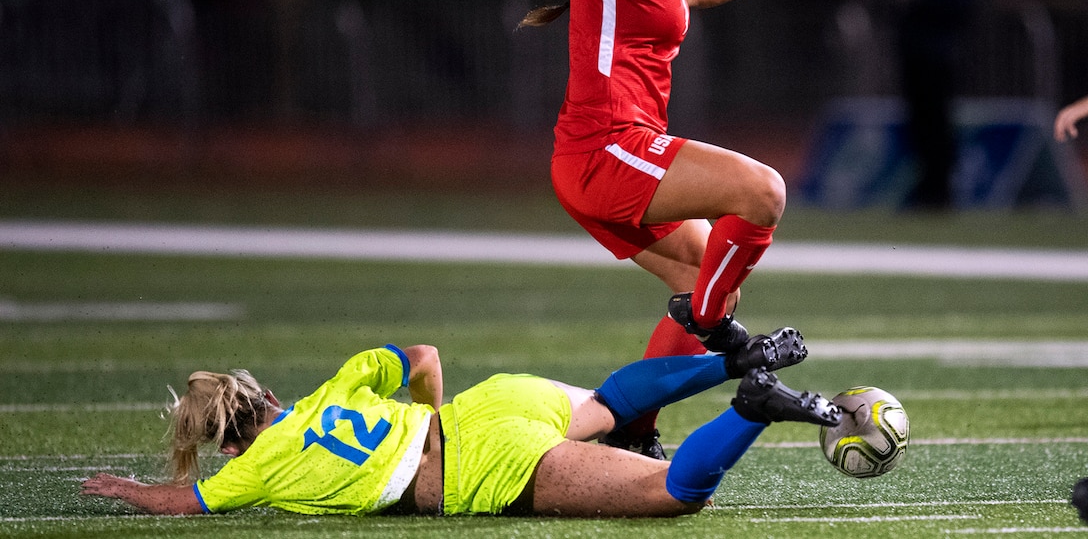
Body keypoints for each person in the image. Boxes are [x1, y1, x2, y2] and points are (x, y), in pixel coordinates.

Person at [520, 0, 814, 457]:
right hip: (605, 150)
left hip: (617, 157)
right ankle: (707, 323)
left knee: (709, 276)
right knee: (763, 192)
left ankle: (634, 427)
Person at [80, 340, 840, 518]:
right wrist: (436, 415)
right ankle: (736, 356)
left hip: (485, 468)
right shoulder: (335, 384)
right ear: (268, 394)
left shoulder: (255, 468)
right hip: (489, 404)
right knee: (610, 401)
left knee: (675, 493)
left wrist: (129, 488)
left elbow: (184, 504)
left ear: (231, 441)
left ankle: (752, 405)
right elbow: (423, 355)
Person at [892, 0, 979, 210]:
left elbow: (959, 2)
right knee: (921, 122)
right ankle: (928, 189)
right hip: (917, 47)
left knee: (937, 121)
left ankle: (940, 192)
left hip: (939, 49)